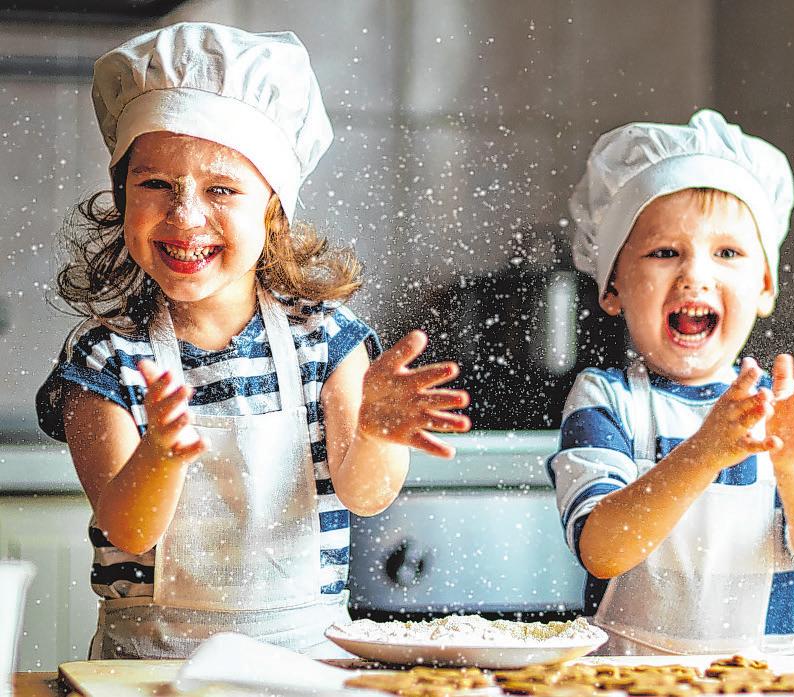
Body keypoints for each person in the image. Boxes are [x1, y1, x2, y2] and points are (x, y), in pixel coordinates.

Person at [35, 22, 470, 660]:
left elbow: (364, 494)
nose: (184, 216)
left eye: (222, 189)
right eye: (154, 183)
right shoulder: (104, 360)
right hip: (151, 668)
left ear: (273, 209)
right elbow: (128, 528)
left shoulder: (328, 339)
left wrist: (375, 432)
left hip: (306, 660)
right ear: (121, 195)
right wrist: (160, 453)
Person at [549, 110, 794, 656]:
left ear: (765, 287)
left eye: (728, 253)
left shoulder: (782, 411)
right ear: (613, 285)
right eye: (665, 252)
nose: (695, 274)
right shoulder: (606, 399)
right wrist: (702, 454)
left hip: (762, 683)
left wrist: (791, 463)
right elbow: (601, 548)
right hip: (623, 680)